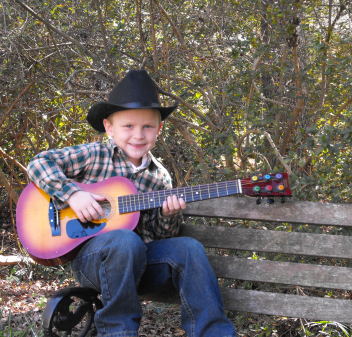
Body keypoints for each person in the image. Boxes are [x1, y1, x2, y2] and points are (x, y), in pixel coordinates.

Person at [27, 70, 236, 337]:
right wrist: (73, 194)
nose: (138, 135)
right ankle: (118, 332)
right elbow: (39, 163)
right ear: (109, 127)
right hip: (92, 263)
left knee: (188, 247)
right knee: (124, 240)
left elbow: (156, 238)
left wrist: (167, 215)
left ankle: (213, 333)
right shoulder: (94, 155)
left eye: (147, 126)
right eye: (128, 126)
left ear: (159, 129)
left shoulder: (159, 177)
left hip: (138, 268)